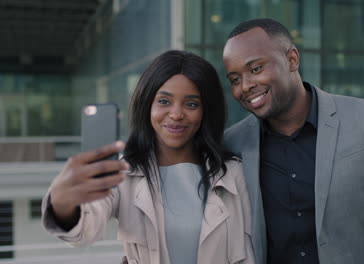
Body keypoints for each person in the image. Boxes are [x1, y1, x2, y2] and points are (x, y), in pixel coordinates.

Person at [222, 18, 364, 264]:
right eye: (235, 79)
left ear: (292, 59)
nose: (245, 86)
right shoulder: (232, 143)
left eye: (256, 69)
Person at [42, 50, 255, 264]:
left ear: (206, 111)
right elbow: (84, 230)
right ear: (147, 105)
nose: (176, 114)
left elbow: (250, 253)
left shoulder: (233, 173)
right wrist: (62, 203)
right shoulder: (123, 173)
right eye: (164, 101)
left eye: (191, 104)